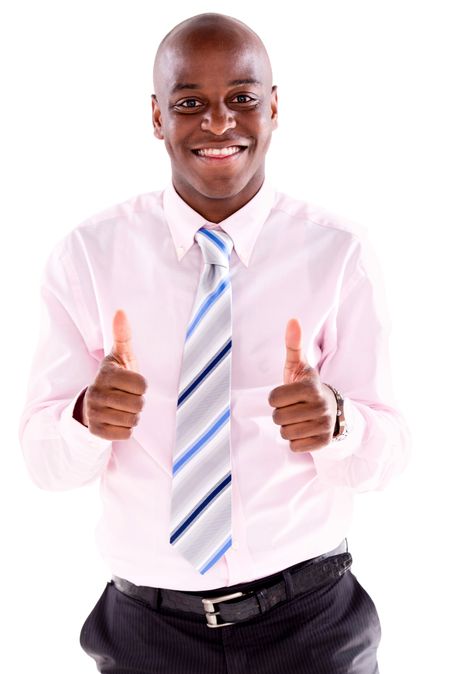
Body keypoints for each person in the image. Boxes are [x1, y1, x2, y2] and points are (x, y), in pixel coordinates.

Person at [18, 11, 411, 674]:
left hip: (310, 625)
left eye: (242, 99)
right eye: (190, 103)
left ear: (275, 107)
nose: (219, 123)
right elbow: (42, 462)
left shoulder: (338, 253)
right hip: (147, 634)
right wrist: (85, 419)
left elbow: (389, 456)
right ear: (156, 117)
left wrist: (338, 422)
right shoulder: (87, 257)